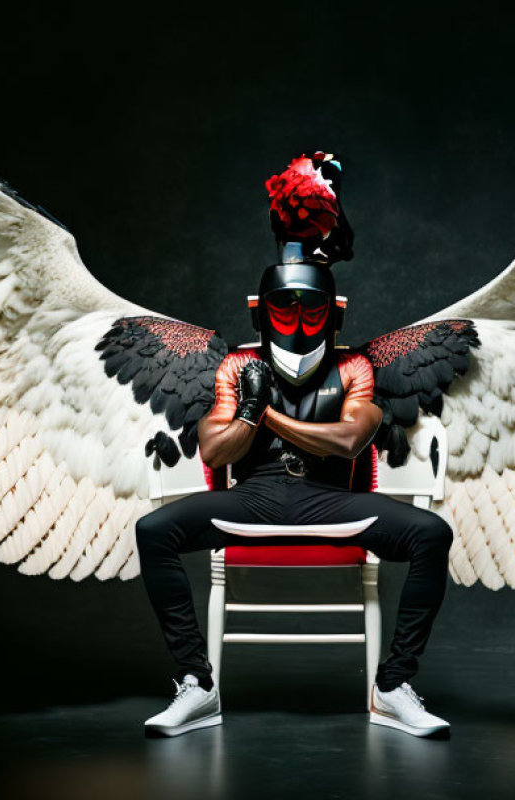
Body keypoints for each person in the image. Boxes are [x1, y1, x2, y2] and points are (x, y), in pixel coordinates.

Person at [136, 226, 454, 737]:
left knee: (432, 533)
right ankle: (197, 683)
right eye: (286, 307)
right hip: (251, 501)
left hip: (331, 502)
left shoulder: (354, 368)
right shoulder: (237, 364)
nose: (300, 322)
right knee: (154, 532)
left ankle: (393, 687)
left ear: (335, 311)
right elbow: (216, 449)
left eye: (313, 308)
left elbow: (350, 440)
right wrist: (244, 410)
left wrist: (261, 411)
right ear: (260, 311)